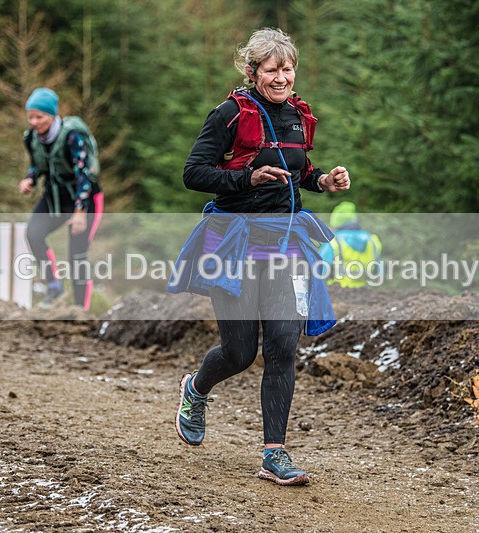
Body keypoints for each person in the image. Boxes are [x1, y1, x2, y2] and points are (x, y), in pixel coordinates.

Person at [168, 28, 351, 486]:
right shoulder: (229, 114)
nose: (282, 77)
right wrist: (245, 181)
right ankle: (196, 388)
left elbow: (299, 170)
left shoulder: (296, 115)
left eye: (287, 68)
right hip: (232, 241)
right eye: (272, 70)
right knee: (239, 351)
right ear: (253, 72)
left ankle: (275, 454)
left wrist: (323, 181)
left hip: (287, 242)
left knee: (284, 345)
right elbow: (193, 173)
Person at [20, 88, 104, 311]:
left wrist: (80, 212)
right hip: (55, 197)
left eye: (40, 117)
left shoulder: (71, 136)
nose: (35, 122)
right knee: (33, 234)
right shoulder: (32, 139)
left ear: (52, 115)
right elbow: (38, 164)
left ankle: (80, 310)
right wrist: (30, 179)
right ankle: (54, 285)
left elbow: (84, 174)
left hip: (85, 199)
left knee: (77, 256)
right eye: (31, 117)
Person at [318, 201, 383, 288]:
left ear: (336, 223)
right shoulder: (372, 240)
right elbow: (378, 271)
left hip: (337, 294)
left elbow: (318, 271)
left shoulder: (333, 241)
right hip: (365, 293)